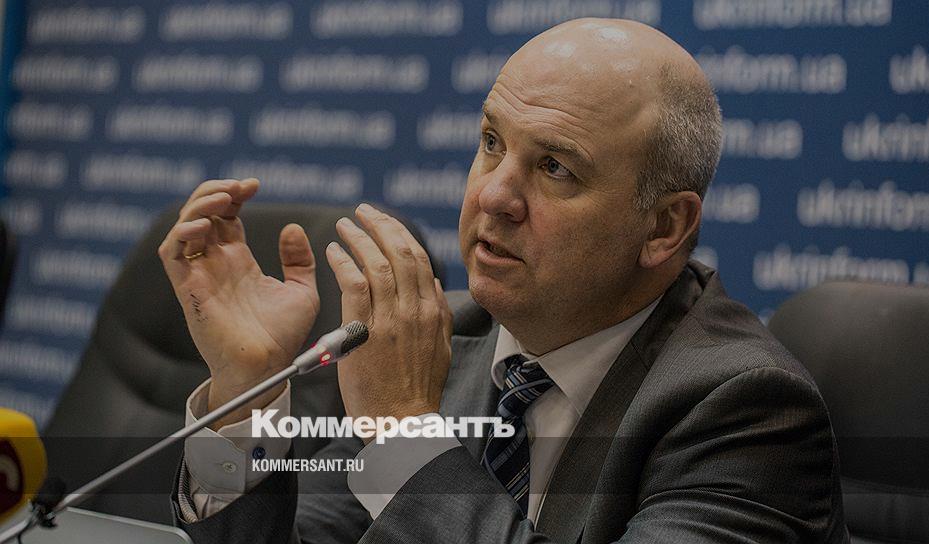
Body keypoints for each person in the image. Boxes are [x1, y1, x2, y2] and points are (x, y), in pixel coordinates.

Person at [160, 18, 848, 543]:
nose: (492, 195)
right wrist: (248, 393)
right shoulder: (446, 341)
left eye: (555, 168)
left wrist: (404, 431)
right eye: (492, 142)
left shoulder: (746, 411)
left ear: (664, 227)